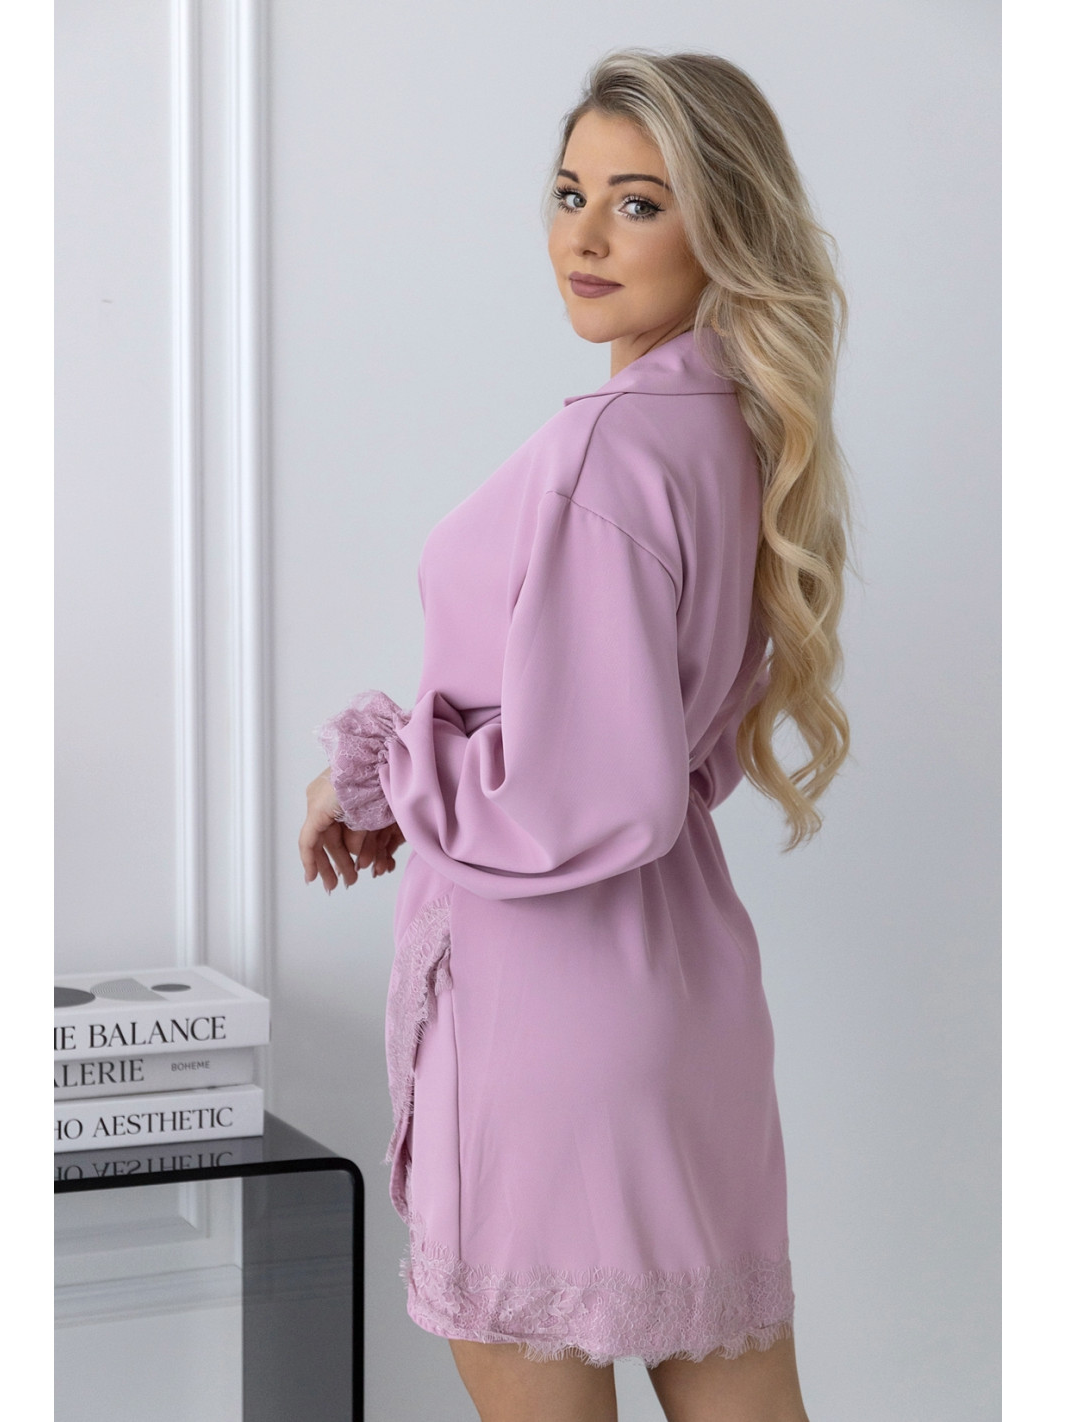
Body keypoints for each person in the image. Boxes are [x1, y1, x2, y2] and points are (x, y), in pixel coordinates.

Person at [299, 48, 851, 1422]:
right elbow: (654, 754)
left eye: (638, 203)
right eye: (569, 193)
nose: (585, 237)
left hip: (547, 1010)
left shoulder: (607, 452)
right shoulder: (734, 436)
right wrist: (421, 787)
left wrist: (382, 771)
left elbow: (580, 786)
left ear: (724, 222)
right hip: (685, 992)